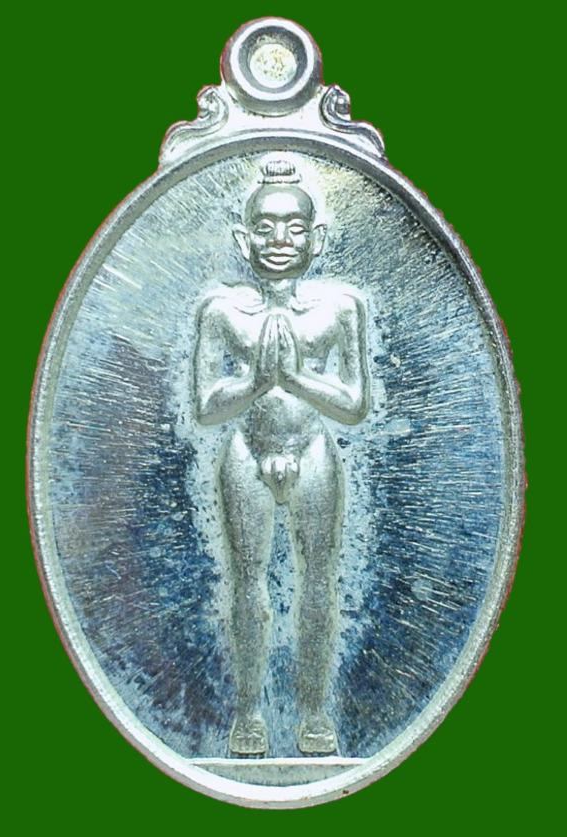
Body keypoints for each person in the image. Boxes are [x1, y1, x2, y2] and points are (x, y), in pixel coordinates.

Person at [193, 159, 370, 755]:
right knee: (247, 584)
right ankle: (248, 714)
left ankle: (315, 714)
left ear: (317, 238)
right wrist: (254, 382)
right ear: (243, 239)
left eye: (294, 228)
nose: (279, 241)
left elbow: (354, 405)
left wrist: (293, 379)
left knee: (318, 581)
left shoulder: (340, 308)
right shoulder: (221, 311)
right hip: (246, 450)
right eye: (265, 228)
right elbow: (206, 407)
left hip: (313, 448)